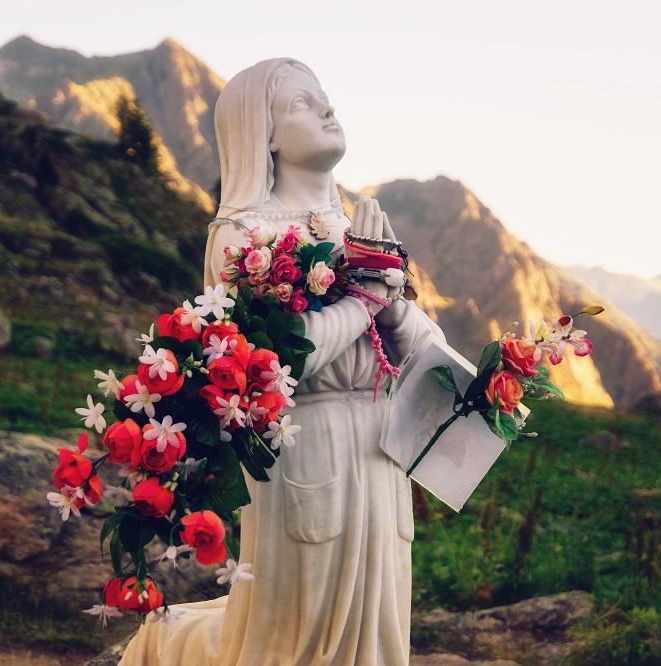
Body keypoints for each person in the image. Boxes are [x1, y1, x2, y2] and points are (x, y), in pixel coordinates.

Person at [120, 57, 443, 666]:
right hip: (303, 442)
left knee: (378, 620)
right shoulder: (242, 236)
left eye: (323, 97)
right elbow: (269, 366)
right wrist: (367, 297)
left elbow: (419, 349)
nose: (327, 109)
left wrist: (392, 298)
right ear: (261, 134)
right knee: (293, 628)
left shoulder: (361, 226)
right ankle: (169, 646)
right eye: (300, 103)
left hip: (380, 441)